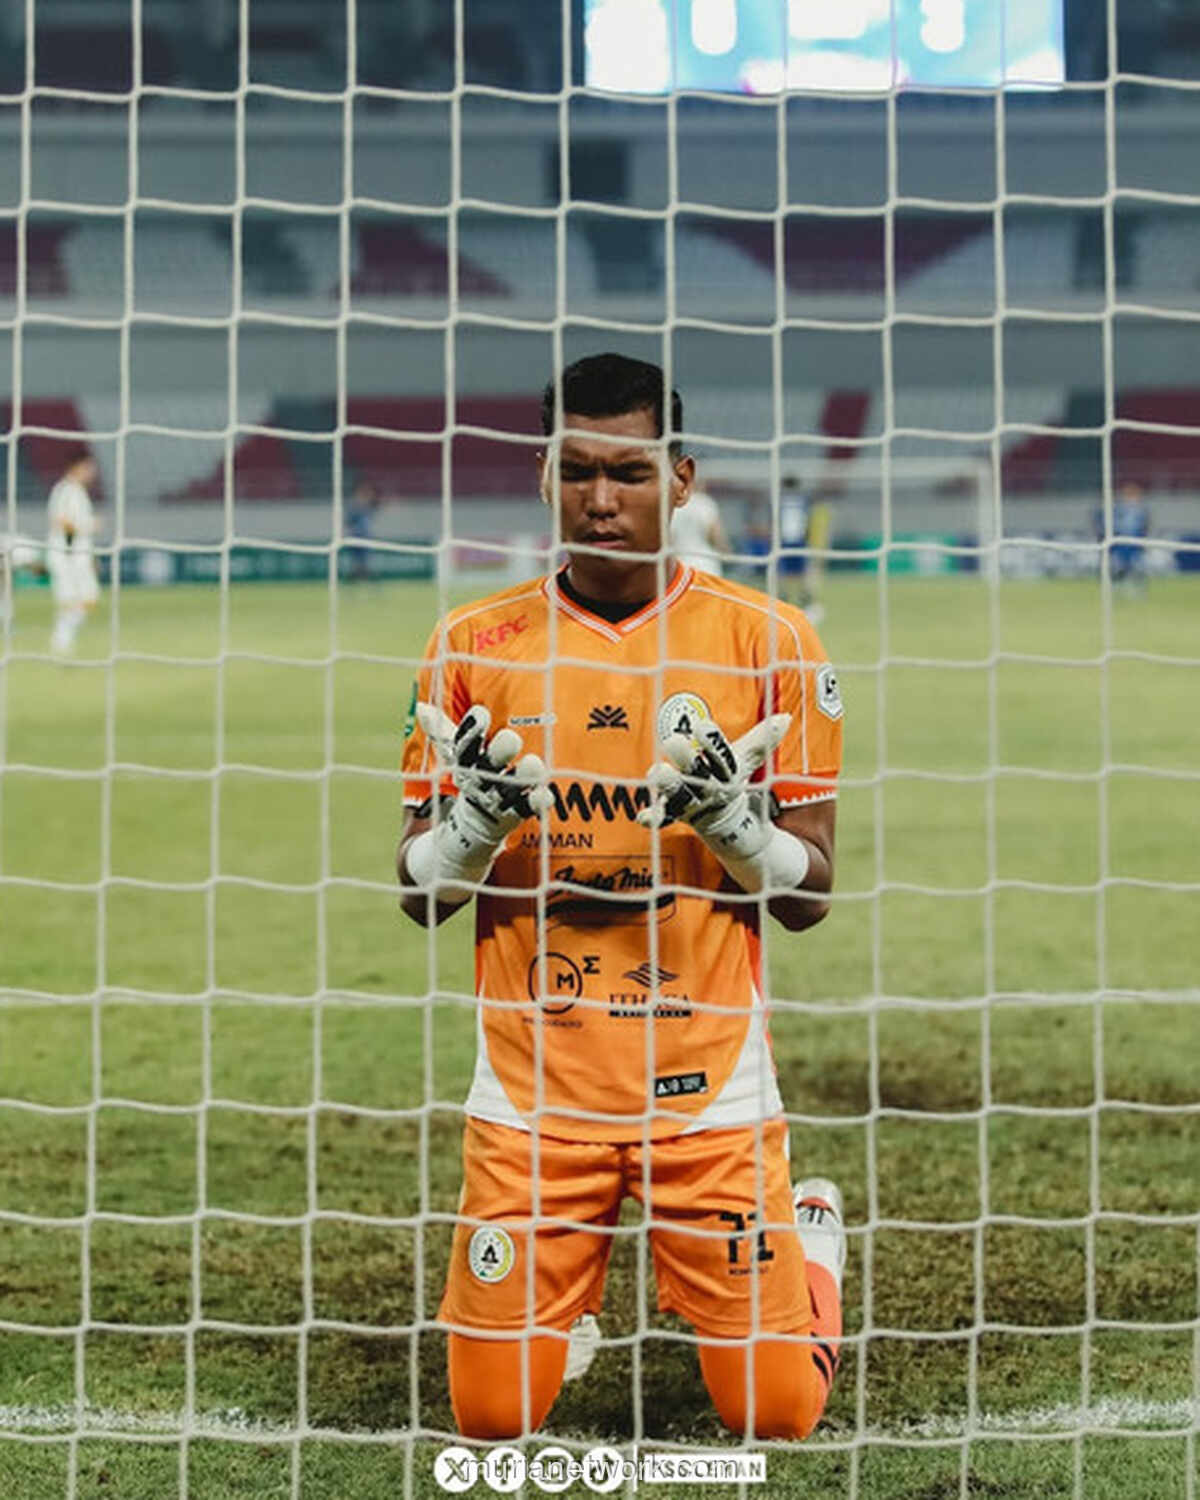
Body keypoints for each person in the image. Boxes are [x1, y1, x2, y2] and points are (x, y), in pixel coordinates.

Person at [397, 352, 846, 1443]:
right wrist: (473, 829)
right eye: (580, 471)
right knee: (491, 1422)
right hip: (533, 1090)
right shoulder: (468, 645)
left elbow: (812, 894)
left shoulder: (772, 642)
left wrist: (738, 830)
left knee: (779, 1417)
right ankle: (568, 1298)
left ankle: (813, 1232)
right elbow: (418, 894)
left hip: (709, 1088)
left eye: (632, 474)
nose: (603, 499)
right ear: (547, 474)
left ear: (681, 478)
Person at [45, 448, 100, 656]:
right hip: (66, 555)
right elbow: (60, 521)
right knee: (72, 600)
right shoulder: (66, 490)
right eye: (89, 467)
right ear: (78, 466)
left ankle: (62, 639)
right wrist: (86, 526)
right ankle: (61, 643)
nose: (92, 472)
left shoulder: (77, 491)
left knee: (87, 599)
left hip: (77, 556)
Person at [668, 483, 729, 575]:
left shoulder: (674, 504)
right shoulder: (705, 503)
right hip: (706, 562)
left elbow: (669, 538)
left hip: (681, 563)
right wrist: (725, 551)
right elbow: (714, 534)